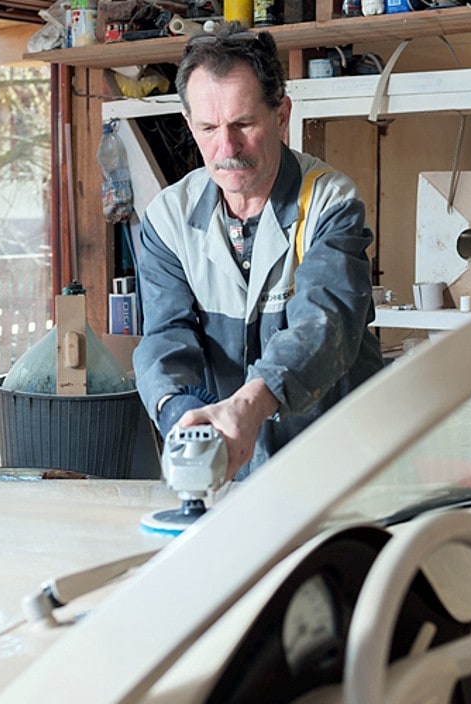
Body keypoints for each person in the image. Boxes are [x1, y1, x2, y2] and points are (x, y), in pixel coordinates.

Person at [133, 22, 384, 483]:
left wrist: (249, 405)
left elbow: (324, 325)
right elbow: (165, 336)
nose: (226, 147)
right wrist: (180, 415)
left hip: (341, 464)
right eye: (208, 128)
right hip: (237, 468)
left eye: (243, 124)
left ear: (281, 114)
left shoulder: (330, 202)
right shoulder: (168, 218)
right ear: (189, 125)